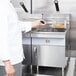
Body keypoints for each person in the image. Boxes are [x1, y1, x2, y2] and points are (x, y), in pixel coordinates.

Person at [0, 0, 46, 76]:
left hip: (13, 59)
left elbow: (14, 26)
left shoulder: (7, 5)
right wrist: (7, 62)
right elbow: (1, 36)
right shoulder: (2, 6)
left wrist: (32, 24)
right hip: (9, 61)